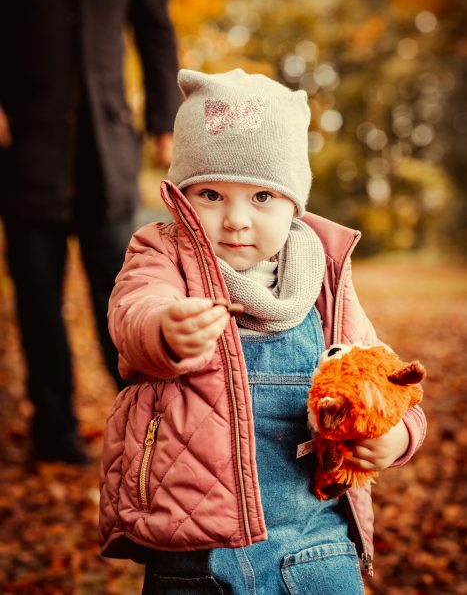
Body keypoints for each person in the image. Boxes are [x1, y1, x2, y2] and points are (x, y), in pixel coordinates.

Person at [99, 69, 427, 593]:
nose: (234, 220)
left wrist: (398, 437)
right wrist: (165, 329)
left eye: (261, 198)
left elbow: (386, 378)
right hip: (193, 548)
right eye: (209, 194)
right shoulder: (163, 253)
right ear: (181, 199)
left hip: (314, 542)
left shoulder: (321, 272)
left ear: (293, 204)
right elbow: (132, 311)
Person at [0, 0, 181, 464]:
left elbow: (155, 25)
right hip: (25, 152)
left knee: (123, 295)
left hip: (106, 153)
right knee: (37, 299)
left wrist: (163, 121)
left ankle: (146, 429)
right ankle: (54, 433)